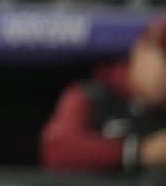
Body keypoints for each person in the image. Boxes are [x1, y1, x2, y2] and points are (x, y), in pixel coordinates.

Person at [40, 14, 166, 170]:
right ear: (140, 51)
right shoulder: (92, 96)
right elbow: (57, 149)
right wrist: (139, 152)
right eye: (164, 57)